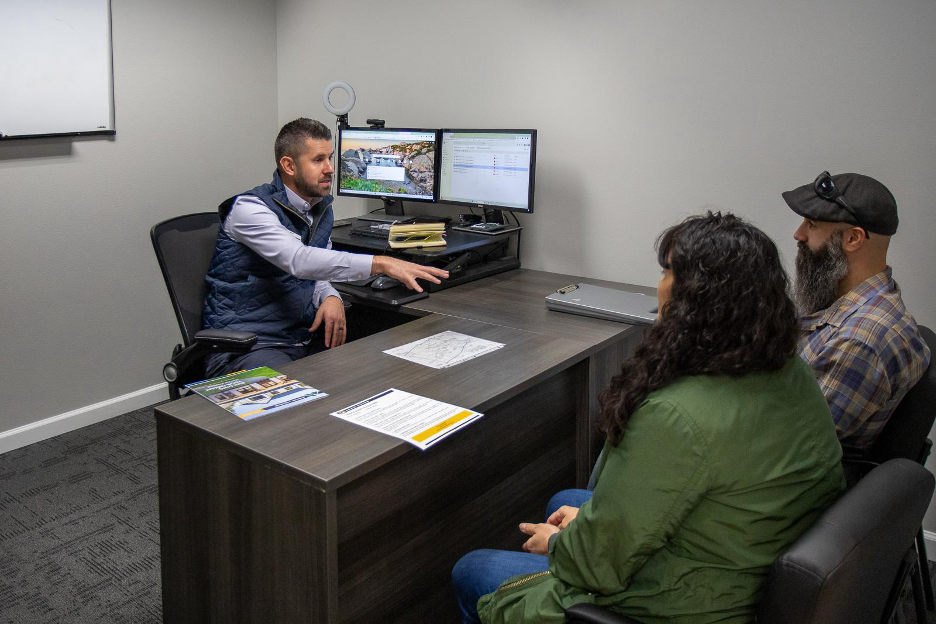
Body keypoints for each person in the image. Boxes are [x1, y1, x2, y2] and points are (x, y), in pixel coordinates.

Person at [451, 212, 845, 624]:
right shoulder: (787, 368)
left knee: (472, 570)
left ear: (690, 297)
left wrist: (559, 545)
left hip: (685, 603)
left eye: (665, 272)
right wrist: (586, 527)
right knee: (565, 503)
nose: (658, 286)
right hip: (745, 561)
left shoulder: (674, 417)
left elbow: (595, 569)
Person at [202, 118, 448, 377]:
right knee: (301, 407)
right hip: (247, 346)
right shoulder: (249, 210)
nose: (330, 168)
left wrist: (330, 296)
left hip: (298, 339)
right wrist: (382, 263)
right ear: (289, 165)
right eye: (318, 160)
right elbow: (298, 261)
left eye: (330, 158)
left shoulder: (317, 209)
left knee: (374, 376)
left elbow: (318, 270)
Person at [784, 171, 931, 454]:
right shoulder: (843, 304)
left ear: (853, 238)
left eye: (812, 224)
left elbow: (790, 445)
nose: (798, 234)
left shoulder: (860, 340)